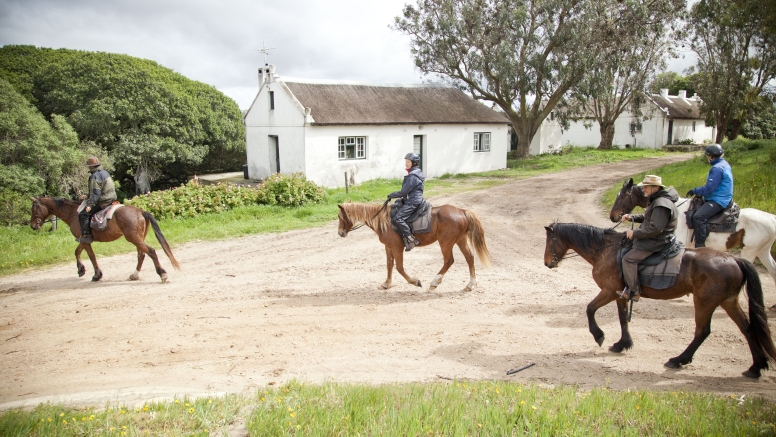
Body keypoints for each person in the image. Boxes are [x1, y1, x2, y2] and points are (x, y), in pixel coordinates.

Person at [618, 175, 679, 301]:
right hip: (655, 238)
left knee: (628, 259)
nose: (643, 189)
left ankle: (633, 291)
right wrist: (632, 217)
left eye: (646, 187)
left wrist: (634, 234)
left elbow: (655, 228)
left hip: (656, 241)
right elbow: (649, 218)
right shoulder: (657, 200)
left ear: (655, 187)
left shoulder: (661, 204)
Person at [685, 143, 734, 248]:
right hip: (722, 196)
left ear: (711, 156)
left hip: (718, 200)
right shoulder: (724, 163)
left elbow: (709, 188)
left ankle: (700, 246)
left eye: (707, 156)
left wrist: (695, 191)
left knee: (699, 217)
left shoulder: (717, 168)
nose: (707, 158)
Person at [387, 153, 425, 252]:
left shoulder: (413, 176)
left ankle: (411, 239)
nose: (406, 164)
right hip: (411, 199)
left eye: (408, 162)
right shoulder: (415, 173)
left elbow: (404, 191)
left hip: (412, 201)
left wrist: (392, 195)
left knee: (398, 218)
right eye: (406, 162)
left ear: (414, 163)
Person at [77, 157, 117, 243]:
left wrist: (90, 205)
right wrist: (87, 196)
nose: (88, 167)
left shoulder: (94, 176)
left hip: (103, 201)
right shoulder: (105, 173)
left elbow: (96, 193)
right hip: (111, 198)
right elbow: (103, 189)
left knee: (83, 214)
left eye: (88, 166)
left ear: (91, 167)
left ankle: (87, 236)